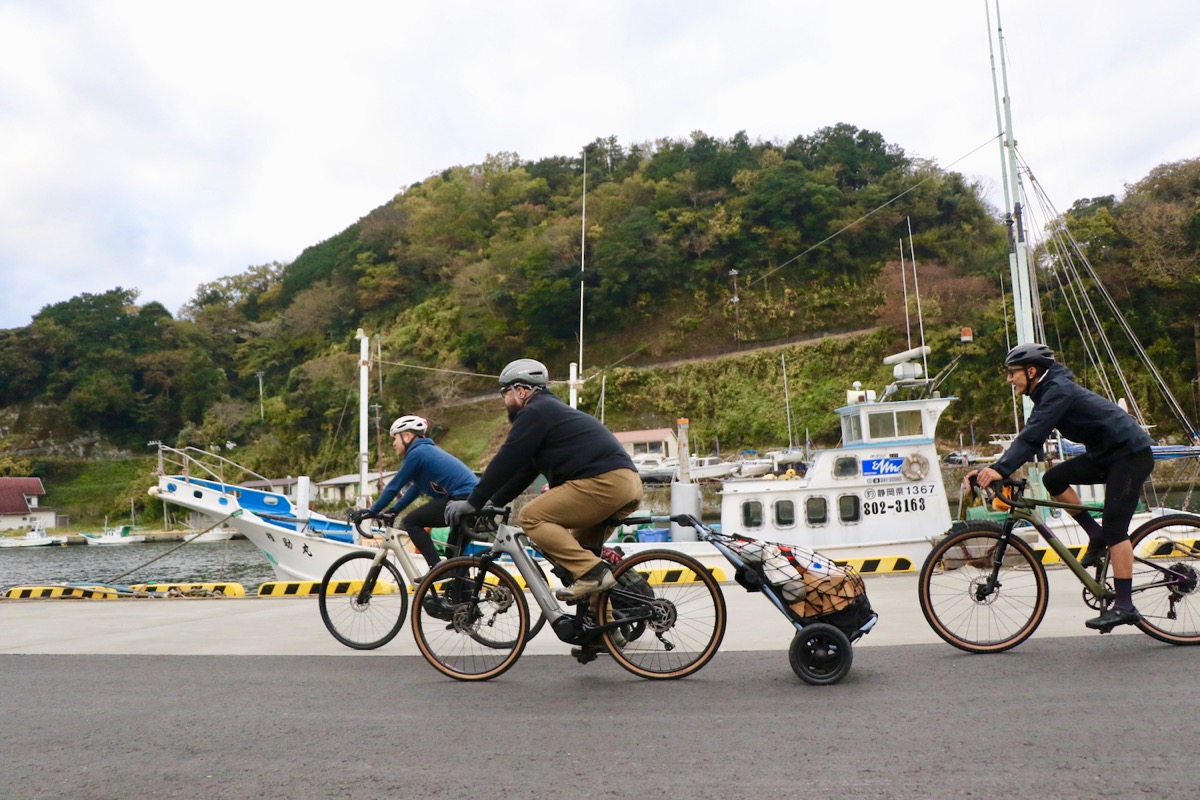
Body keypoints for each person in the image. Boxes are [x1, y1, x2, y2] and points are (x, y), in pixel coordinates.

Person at [967, 342, 1155, 630]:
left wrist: (999, 470)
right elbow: (1029, 436)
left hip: (1130, 455)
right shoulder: (1047, 392)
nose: (1009, 379)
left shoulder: (1058, 391)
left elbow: (1032, 438)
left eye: (1012, 373)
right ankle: (1097, 536)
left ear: (1031, 371)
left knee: (1117, 530)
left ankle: (1125, 606)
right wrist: (993, 469)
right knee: (1053, 479)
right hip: (1105, 455)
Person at [444, 358, 643, 602]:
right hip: (627, 483)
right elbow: (524, 471)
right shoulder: (550, 413)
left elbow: (507, 458)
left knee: (531, 517)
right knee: (577, 559)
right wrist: (492, 502)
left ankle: (595, 572)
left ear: (521, 390)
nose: (505, 401)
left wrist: (473, 502)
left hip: (604, 483)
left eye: (505, 393)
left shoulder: (534, 412)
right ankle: (604, 632)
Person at [349, 415, 479, 570]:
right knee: (454, 558)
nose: (393, 443)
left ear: (407, 436)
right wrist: (393, 510)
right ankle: (462, 592)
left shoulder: (417, 453)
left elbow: (394, 486)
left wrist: (372, 510)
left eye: (395, 438)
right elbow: (415, 489)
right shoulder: (426, 451)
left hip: (460, 498)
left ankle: (436, 569)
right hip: (473, 499)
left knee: (411, 521)